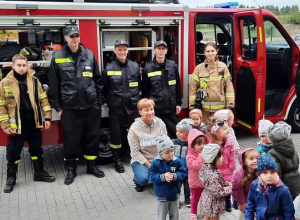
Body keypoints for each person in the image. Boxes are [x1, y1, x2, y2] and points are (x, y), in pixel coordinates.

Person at [47, 25, 104, 185]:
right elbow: (53, 84)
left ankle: (92, 166)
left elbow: (98, 79)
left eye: (77, 36)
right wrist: (58, 107)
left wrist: (97, 100)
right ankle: (71, 169)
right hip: (69, 108)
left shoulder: (89, 54)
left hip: (91, 106)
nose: (75, 39)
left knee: (92, 137)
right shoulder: (57, 56)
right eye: (71, 36)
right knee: (71, 139)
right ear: (65, 38)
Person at [0, 54, 55, 193]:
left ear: (27, 65)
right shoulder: (5, 83)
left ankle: (39, 173)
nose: (22, 68)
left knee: (37, 150)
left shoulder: (34, 80)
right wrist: (5, 125)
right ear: (13, 66)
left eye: (24, 65)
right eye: (19, 65)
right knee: (13, 153)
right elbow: (1, 106)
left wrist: (47, 118)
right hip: (17, 126)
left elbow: (43, 99)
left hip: (34, 123)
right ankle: (11, 179)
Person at [102, 39, 141, 173]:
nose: (122, 52)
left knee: (133, 133)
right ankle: (117, 160)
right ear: (115, 51)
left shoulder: (135, 67)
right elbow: (105, 88)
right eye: (119, 49)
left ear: (127, 51)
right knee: (116, 136)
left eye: (124, 49)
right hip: (116, 108)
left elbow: (139, 86)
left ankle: (134, 157)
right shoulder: (109, 68)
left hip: (132, 107)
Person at [142, 40, 182, 139]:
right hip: (156, 109)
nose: (161, 51)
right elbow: (145, 89)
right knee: (157, 134)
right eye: (158, 49)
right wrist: (148, 108)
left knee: (174, 133)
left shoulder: (173, 65)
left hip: (171, 108)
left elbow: (177, 86)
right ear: (154, 50)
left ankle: (174, 152)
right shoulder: (148, 68)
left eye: (163, 49)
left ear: (166, 51)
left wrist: (178, 103)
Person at [128, 98, 167, 192]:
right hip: (141, 161)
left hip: (158, 159)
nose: (150, 112)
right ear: (140, 112)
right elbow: (135, 152)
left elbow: (165, 144)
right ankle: (137, 180)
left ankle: (155, 175)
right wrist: (150, 165)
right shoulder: (134, 128)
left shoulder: (160, 123)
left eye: (151, 109)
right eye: (146, 110)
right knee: (144, 179)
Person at [189, 42, 235, 121]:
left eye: (212, 51)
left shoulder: (223, 67)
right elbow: (192, 88)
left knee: (218, 132)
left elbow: (229, 88)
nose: (210, 53)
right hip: (204, 111)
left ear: (216, 51)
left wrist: (229, 106)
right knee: (204, 131)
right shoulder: (198, 68)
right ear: (204, 53)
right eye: (208, 51)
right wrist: (192, 107)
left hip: (220, 111)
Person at [245, 153, 295, 219]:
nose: (269, 176)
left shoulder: (283, 190)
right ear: (259, 174)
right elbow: (250, 205)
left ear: (277, 173)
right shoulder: (255, 185)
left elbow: (289, 212)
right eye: (265, 172)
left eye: (272, 172)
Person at [148, 134, 186, 220]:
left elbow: (183, 173)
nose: (170, 154)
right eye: (167, 152)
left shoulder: (177, 161)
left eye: (172, 151)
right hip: (162, 196)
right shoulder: (155, 163)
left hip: (174, 195)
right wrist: (163, 177)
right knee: (161, 216)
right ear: (160, 153)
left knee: (175, 216)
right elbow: (151, 176)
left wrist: (175, 176)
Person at [207, 116, 236, 212]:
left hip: (227, 170)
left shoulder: (229, 142)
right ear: (216, 132)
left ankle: (228, 202)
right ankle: (218, 203)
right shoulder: (211, 144)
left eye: (227, 128)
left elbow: (232, 155)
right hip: (216, 170)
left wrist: (232, 166)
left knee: (228, 188)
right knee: (218, 188)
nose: (227, 130)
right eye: (224, 129)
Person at [267, 121, 300, 200]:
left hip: (284, 187)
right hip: (296, 184)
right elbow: (297, 162)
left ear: (274, 138)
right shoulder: (291, 148)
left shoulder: (272, 153)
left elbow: (277, 173)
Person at [199, 143, 232, 220]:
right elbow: (218, 192)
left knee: (206, 216)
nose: (222, 158)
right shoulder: (213, 176)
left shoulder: (205, 166)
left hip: (206, 198)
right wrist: (229, 188)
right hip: (214, 203)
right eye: (220, 156)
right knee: (215, 218)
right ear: (214, 158)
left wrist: (224, 183)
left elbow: (212, 184)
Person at [186, 129, 210, 220]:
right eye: (199, 144)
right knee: (195, 199)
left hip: (205, 183)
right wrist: (201, 156)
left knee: (205, 200)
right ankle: (193, 212)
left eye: (204, 143)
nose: (202, 146)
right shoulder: (189, 156)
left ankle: (205, 212)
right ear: (192, 146)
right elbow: (195, 166)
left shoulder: (206, 154)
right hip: (195, 183)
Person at [232, 148, 260, 220]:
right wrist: (242, 203)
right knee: (244, 215)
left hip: (255, 200)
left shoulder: (259, 171)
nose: (255, 161)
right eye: (251, 159)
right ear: (244, 161)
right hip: (244, 200)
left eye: (257, 158)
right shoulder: (239, 175)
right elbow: (237, 191)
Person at [174, 118, 194, 207]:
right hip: (177, 170)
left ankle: (188, 198)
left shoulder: (191, 144)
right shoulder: (175, 142)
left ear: (187, 133)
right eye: (177, 131)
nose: (178, 133)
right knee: (176, 186)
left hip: (187, 170)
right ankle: (176, 199)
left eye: (181, 132)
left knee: (187, 186)